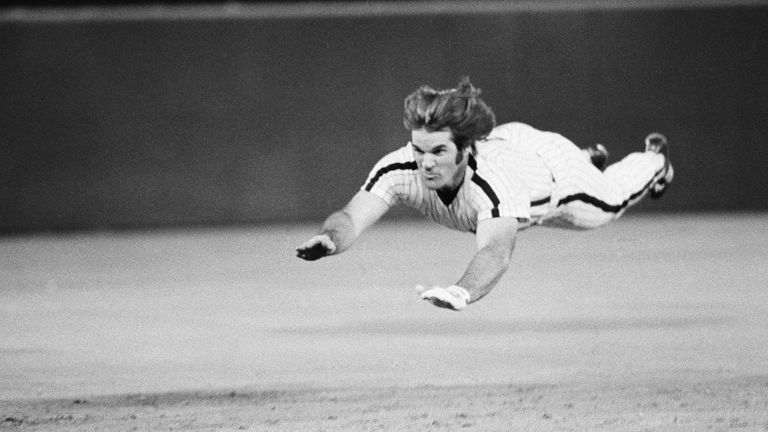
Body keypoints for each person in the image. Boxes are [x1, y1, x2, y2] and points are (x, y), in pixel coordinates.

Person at [296, 77, 673, 311]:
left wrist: (462, 292)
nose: (425, 162)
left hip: (555, 174)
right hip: (514, 146)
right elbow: (351, 216)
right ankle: (589, 157)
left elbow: (495, 251)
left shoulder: (492, 184)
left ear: (466, 149)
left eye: (438, 151)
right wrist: (330, 239)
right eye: (418, 149)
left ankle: (653, 162)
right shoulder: (400, 168)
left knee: (611, 203)